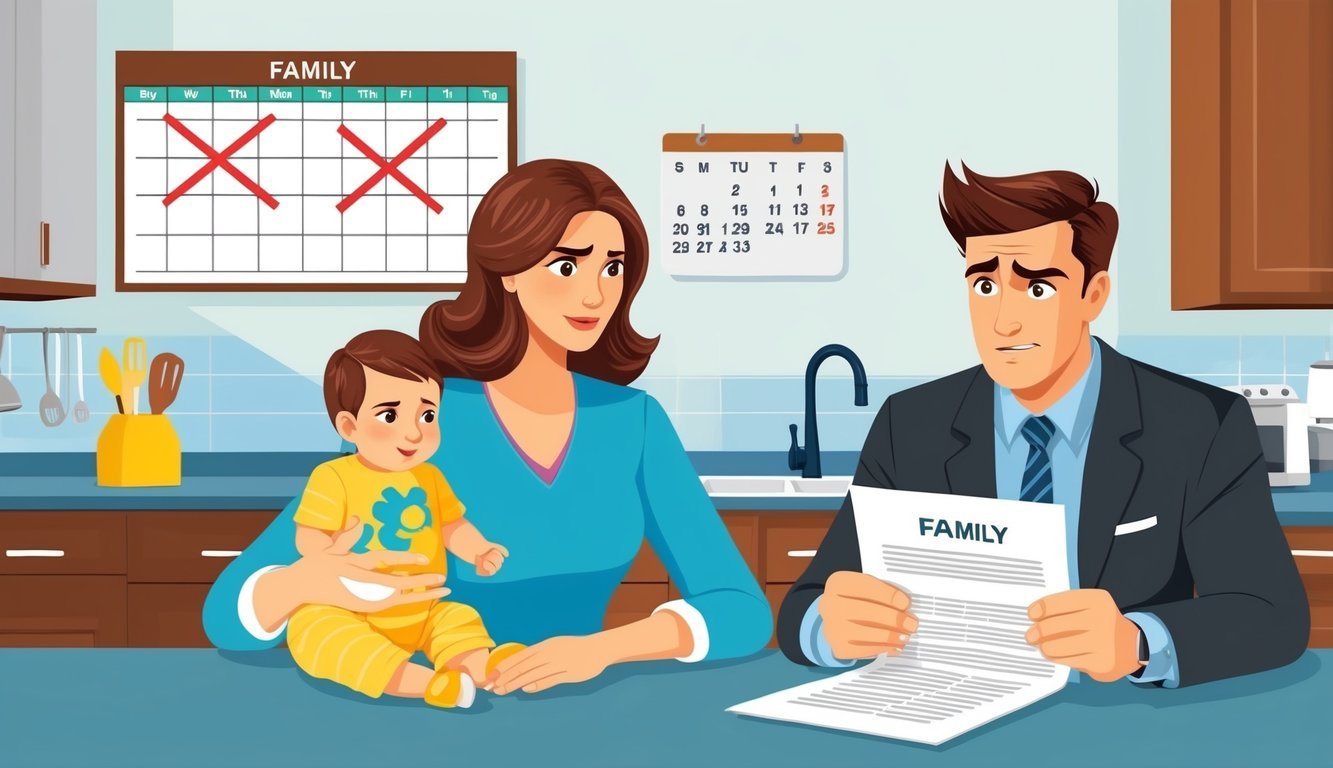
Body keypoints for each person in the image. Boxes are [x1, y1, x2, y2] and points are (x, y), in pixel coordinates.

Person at [204, 159, 771, 696]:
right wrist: (302, 583)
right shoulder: (416, 417)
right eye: (567, 265)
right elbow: (227, 614)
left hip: (584, 707)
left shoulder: (634, 422)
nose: (595, 294)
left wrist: (603, 650)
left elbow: (741, 609)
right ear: (508, 272)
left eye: (614, 267)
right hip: (434, 707)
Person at [776, 162, 1310, 688]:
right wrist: (828, 627)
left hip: (1121, 725)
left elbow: (1272, 614)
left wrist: (1137, 643)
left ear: (1093, 295)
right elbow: (804, 607)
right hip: (951, 714)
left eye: (1037, 290)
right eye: (985, 286)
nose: (1004, 320)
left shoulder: (1198, 425)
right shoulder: (910, 425)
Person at [287, 330, 524, 709]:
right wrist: (327, 556)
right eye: (390, 415)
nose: (414, 431)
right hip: (351, 610)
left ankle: (483, 668)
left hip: (424, 607)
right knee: (316, 632)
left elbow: (452, 526)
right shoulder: (332, 477)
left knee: (458, 618)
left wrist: (478, 549)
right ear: (349, 427)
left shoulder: (429, 477)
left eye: (427, 414)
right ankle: (430, 684)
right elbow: (309, 536)